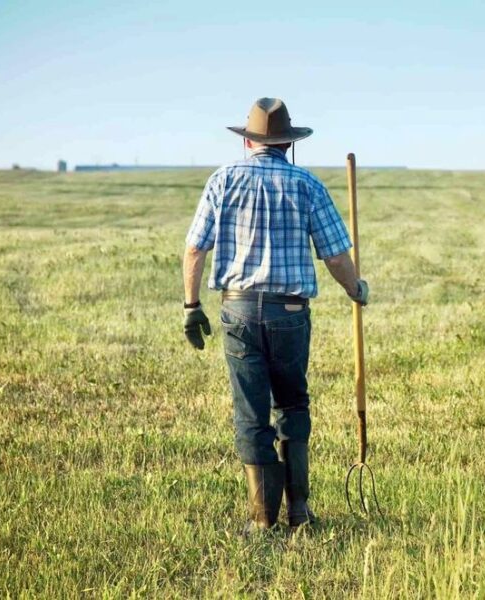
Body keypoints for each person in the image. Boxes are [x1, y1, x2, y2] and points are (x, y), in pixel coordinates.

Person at [182, 97, 369, 532]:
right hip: (290, 313)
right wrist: (355, 289)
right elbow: (336, 256)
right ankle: (299, 513)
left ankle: (263, 521)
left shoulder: (222, 179)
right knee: (292, 404)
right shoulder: (307, 185)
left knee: (251, 413)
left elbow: (194, 248)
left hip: (238, 311)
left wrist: (191, 307)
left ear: (249, 142)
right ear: (288, 143)